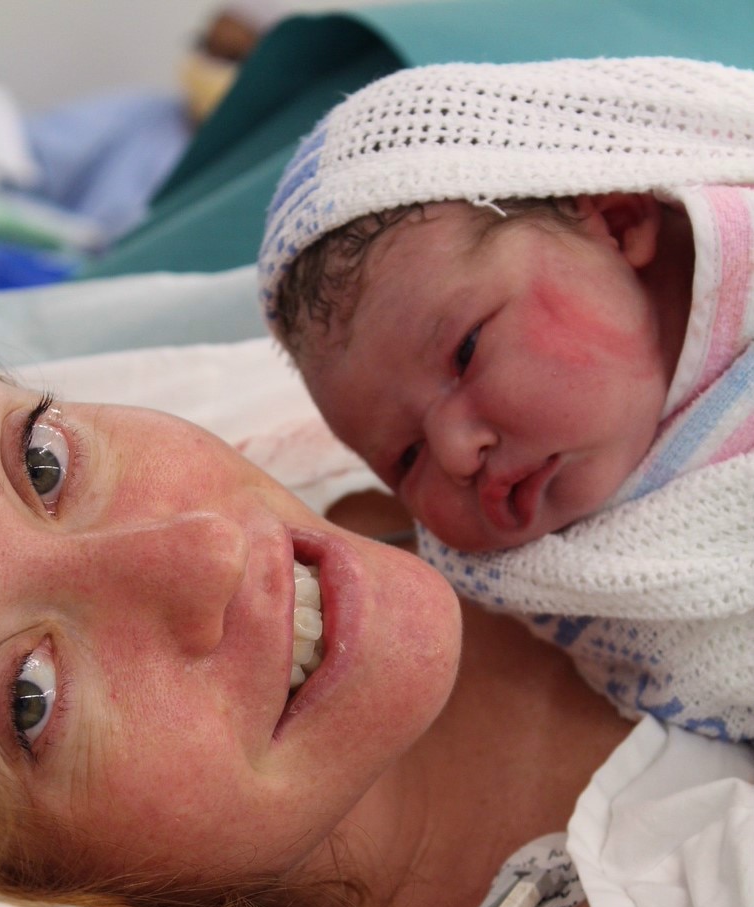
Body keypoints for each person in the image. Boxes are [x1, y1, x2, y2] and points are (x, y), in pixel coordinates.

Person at [0, 334, 752, 907]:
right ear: (19, 896)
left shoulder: (352, 387)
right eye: (29, 695)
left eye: (40, 461)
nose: (206, 553)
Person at [258, 56, 754, 744]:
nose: (459, 454)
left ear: (617, 220)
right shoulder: (565, 589)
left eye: (465, 351)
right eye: (406, 458)